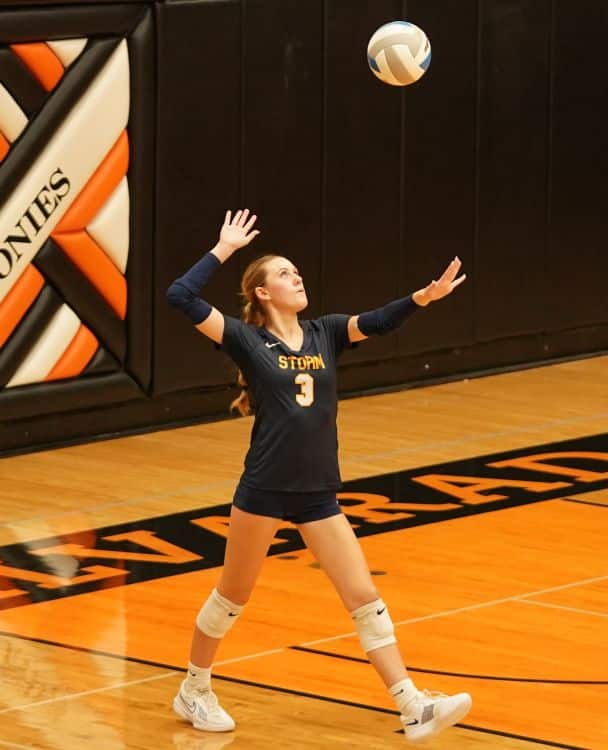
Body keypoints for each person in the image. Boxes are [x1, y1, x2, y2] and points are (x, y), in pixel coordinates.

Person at [166, 209, 471, 744]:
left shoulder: (325, 332)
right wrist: (223, 249)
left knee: (364, 596)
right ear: (263, 293)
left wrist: (422, 298)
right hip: (264, 489)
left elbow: (377, 321)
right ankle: (194, 688)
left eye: (297, 270)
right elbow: (180, 296)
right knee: (232, 596)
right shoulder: (245, 339)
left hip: (317, 492)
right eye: (285, 273)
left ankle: (411, 705)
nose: (297, 276)